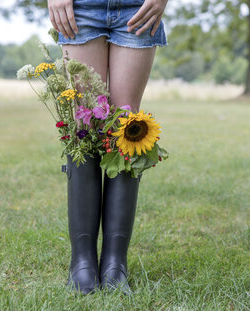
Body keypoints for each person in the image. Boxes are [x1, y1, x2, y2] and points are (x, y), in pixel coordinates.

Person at [49, 0, 168, 294]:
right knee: (85, 127)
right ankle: (83, 264)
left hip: (137, 7)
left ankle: (115, 264)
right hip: (80, 6)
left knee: (127, 128)